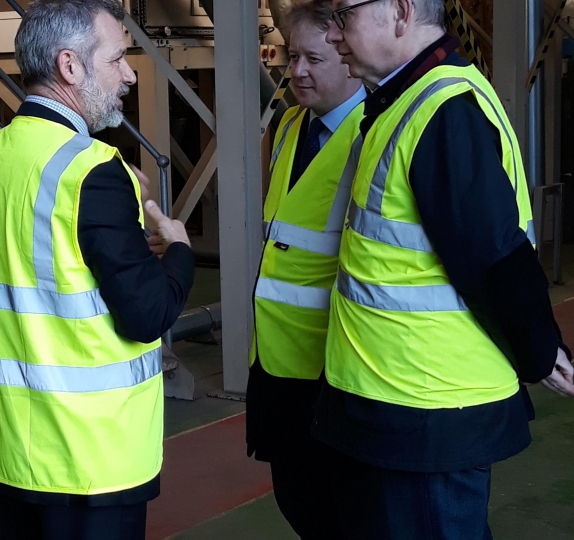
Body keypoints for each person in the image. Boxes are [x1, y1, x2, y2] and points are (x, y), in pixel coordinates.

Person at [315, 0, 574, 538]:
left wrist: (541, 350)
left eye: (342, 15)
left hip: (429, 410)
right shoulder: (404, 100)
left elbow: (495, 255)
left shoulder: (443, 108)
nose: (334, 33)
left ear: (401, 12)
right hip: (399, 405)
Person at [0, 1, 195, 539]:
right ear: (69, 66)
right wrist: (178, 251)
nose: (130, 73)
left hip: (6, 453)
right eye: (117, 58)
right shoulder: (94, 171)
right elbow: (148, 312)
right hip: (88, 460)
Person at [244, 1, 364, 538]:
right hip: (276, 360)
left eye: (312, 58)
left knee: (342, 511)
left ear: (348, 55)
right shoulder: (291, 126)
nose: (297, 71)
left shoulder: (373, 134)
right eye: (293, 57)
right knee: (297, 499)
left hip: (333, 367)